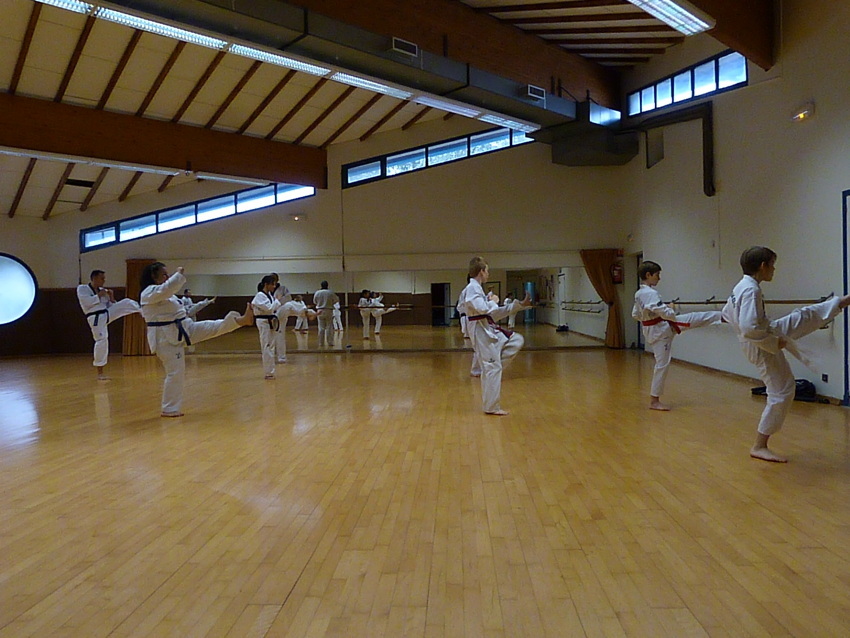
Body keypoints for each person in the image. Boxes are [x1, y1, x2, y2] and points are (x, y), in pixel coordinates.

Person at [722, 247, 850, 462]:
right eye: (772, 265)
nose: (774, 269)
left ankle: (842, 301)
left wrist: (770, 333)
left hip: (765, 333)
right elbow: (748, 328)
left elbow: (728, 314)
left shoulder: (742, 286)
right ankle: (759, 445)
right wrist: (774, 342)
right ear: (763, 266)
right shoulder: (751, 290)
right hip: (760, 344)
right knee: (782, 390)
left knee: (802, 316)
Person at [140, 262, 253, 417]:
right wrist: (178, 274)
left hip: (182, 329)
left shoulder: (168, 295)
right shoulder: (149, 292)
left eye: (168, 274)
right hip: (165, 340)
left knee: (212, 327)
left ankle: (241, 320)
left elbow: (179, 303)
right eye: (164, 274)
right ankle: (169, 408)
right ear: (153, 276)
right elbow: (167, 287)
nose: (167, 277)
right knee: (175, 373)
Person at [632, 260, 724, 411]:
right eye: (657, 274)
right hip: (662, 329)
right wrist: (670, 309)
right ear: (648, 275)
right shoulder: (650, 293)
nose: (659, 278)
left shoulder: (639, 294)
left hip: (656, 328)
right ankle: (654, 401)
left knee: (696, 318)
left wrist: (651, 316)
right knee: (662, 364)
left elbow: (635, 314)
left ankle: (724, 316)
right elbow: (664, 312)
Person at [459, 256, 532, 415]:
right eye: (487, 271)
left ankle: (490, 367)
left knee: (516, 340)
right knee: (492, 367)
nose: (488, 274)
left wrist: (519, 305)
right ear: (481, 271)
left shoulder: (477, 288)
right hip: (480, 332)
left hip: (487, 329)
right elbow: (483, 309)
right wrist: (492, 301)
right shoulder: (471, 288)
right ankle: (491, 406)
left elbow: (492, 313)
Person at [77, 269, 141, 380]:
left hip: (106, 313)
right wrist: (99, 295)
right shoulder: (82, 289)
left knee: (126, 302)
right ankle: (100, 372)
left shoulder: (103, 290)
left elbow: (111, 306)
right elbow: (86, 303)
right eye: (102, 278)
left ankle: (144, 311)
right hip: (95, 318)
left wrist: (111, 298)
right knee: (102, 341)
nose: (104, 281)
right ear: (94, 278)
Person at [252, 275, 282, 379]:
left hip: (270, 321)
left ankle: (271, 371)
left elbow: (273, 308)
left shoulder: (269, 295)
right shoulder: (260, 295)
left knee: (271, 346)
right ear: (266, 284)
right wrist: (277, 301)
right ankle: (268, 372)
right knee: (266, 346)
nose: (274, 286)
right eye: (272, 284)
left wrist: (275, 302)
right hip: (263, 321)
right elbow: (269, 308)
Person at [274, 295, 317, 363]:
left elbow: (307, 313)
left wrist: (315, 314)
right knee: (279, 336)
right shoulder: (298, 305)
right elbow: (307, 312)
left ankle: (281, 357)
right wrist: (315, 314)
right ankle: (280, 357)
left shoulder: (298, 304)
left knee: (280, 336)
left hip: (283, 315)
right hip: (281, 314)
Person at [456, 284, 481, 377]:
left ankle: (478, 368)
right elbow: (461, 306)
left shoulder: (474, 289)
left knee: (479, 346)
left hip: (476, 318)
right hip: (469, 317)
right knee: (477, 345)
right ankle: (476, 369)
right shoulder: (469, 290)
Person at [312, 280, 339, 347]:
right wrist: (331, 303)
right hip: (329, 310)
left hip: (320, 310)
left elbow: (314, 301)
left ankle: (321, 343)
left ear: (321, 285)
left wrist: (320, 303)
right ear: (327, 285)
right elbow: (336, 300)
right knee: (329, 326)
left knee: (321, 327)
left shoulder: (317, 292)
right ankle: (330, 342)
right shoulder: (330, 292)